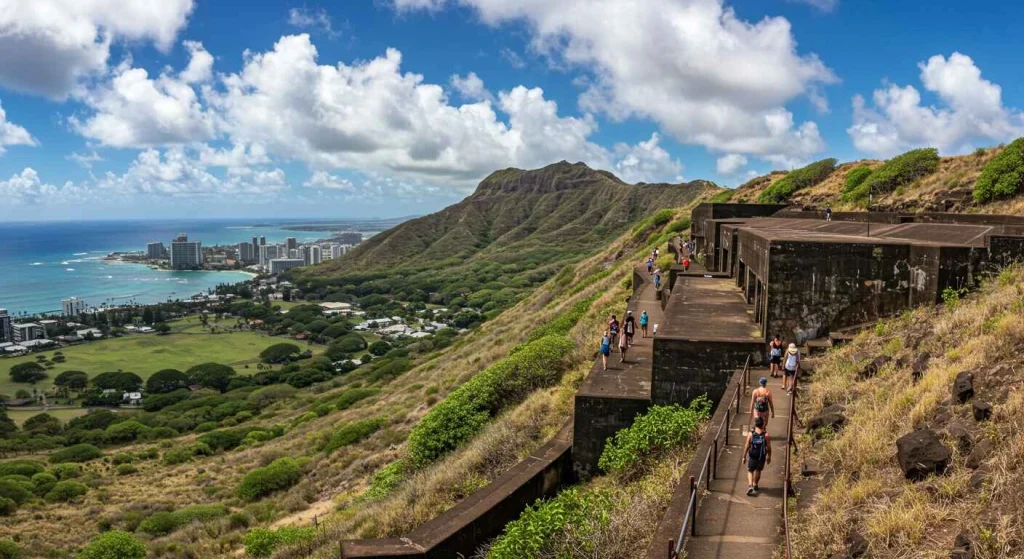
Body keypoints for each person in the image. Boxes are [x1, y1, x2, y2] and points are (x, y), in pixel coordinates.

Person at [742, 416, 771, 496]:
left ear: (755, 424)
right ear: (763, 424)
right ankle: (755, 485)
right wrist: (769, 457)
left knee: (750, 470)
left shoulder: (751, 434)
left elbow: (747, 446)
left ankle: (750, 485)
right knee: (758, 470)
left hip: (753, 455)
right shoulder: (766, 435)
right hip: (761, 456)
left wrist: (744, 456)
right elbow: (768, 447)